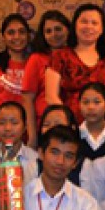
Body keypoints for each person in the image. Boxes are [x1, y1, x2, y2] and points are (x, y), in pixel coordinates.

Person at [46, 4, 105, 123]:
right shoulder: (60, 56)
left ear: (102, 29)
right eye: (84, 21)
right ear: (75, 25)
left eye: (94, 23)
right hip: (69, 127)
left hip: (103, 128)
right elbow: (51, 96)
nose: (89, 27)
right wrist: (68, 122)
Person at [23, 10, 71, 148]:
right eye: (48, 31)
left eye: (58, 29)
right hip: (45, 128)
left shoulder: (76, 56)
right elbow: (27, 100)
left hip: (74, 123)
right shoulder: (36, 59)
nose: (54, 35)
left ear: (68, 30)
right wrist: (32, 136)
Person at [0, 101, 39, 189]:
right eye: (2, 123)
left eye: (14, 123)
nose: (8, 128)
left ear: (25, 127)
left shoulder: (34, 158)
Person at [78, 82, 105, 164]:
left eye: (97, 102)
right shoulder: (74, 137)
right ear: (79, 105)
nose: (91, 107)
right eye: (85, 102)